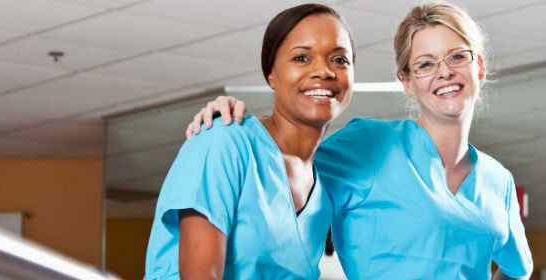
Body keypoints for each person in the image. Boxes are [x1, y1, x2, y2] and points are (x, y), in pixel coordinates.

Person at [184, 1, 533, 279]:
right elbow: (277, 158)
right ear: (406, 81)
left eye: (457, 56)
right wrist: (232, 120)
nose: (445, 72)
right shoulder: (368, 145)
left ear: (480, 67)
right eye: (425, 63)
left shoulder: (497, 181)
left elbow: (519, 269)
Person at [144, 4, 356, 279]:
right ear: (271, 75)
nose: (324, 71)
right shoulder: (224, 141)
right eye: (302, 58)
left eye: (339, 60)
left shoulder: (325, 186)